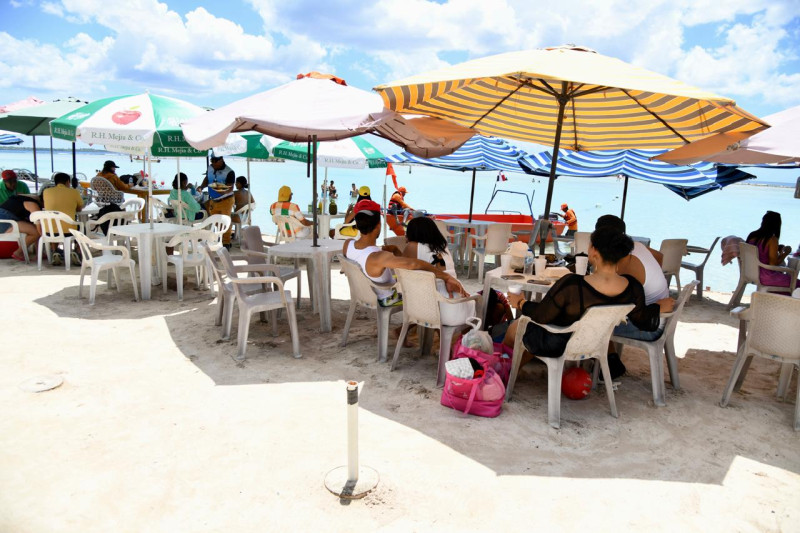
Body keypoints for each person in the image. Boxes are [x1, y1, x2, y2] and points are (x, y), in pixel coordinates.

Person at [501, 226, 667, 372]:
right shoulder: (633, 287)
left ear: (594, 251)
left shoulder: (573, 285)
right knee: (528, 327)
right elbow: (643, 321)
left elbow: (543, 315)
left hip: (560, 343)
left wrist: (521, 302)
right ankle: (511, 371)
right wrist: (658, 307)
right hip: (595, 344)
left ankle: (505, 370)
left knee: (516, 327)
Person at [344, 199, 466, 308]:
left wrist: (395, 251)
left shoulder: (348, 245)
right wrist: (446, 276)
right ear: (378, 226)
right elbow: (413, 264)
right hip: (389, 298)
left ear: (358, 225)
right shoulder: (379, 257)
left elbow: (365, 253)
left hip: (366, 293)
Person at [594, 215, 675, 376]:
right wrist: (651, 277)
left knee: (593, 320)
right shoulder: (636, 246)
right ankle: (609, 359)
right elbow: (659, 256)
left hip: (649, 324)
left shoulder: (626, 263)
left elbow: (608, 301)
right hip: (658, 316)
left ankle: (609, 362)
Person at [402, 216, 476, 325]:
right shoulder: (442, 246)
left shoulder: (413, 246)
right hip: (460, 308)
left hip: (435, 311)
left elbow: (401, 268)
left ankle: (408, 328)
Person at [746, 211, 797, 290]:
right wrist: (785, 253)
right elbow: (773, 264)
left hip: (749, 273)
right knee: (797, 283)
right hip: (766, 277)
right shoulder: (772, 239)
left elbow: (760, 251)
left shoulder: (752, 235)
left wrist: (776, 248)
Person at [0, 194, 41, 262]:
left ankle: (39, 253)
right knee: (36, 232)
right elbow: (38, 224)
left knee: (35, 229)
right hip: (5, 220)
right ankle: (18, 252)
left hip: (5, 219)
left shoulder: (21, 199)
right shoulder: (33, 204)